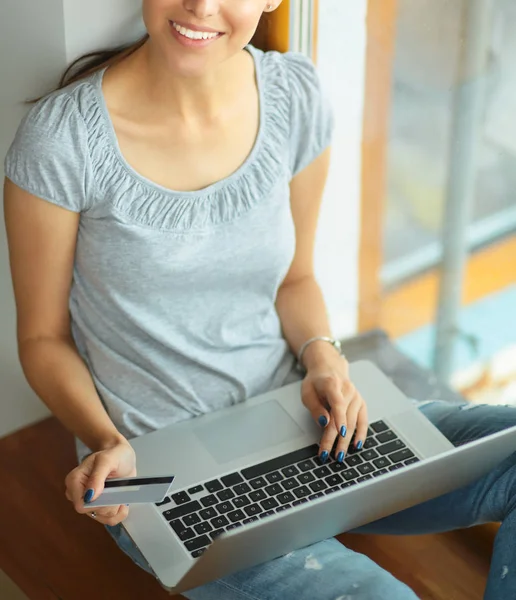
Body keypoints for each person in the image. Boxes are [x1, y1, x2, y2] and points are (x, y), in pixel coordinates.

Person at [3, 1, 516, 598]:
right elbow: (42, 338)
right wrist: (106, 441)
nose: (200, 6)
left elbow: (295, 279)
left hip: (306, 427)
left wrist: (324, 361)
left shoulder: (293, 96)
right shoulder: (62, 141)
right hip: (160, 468)